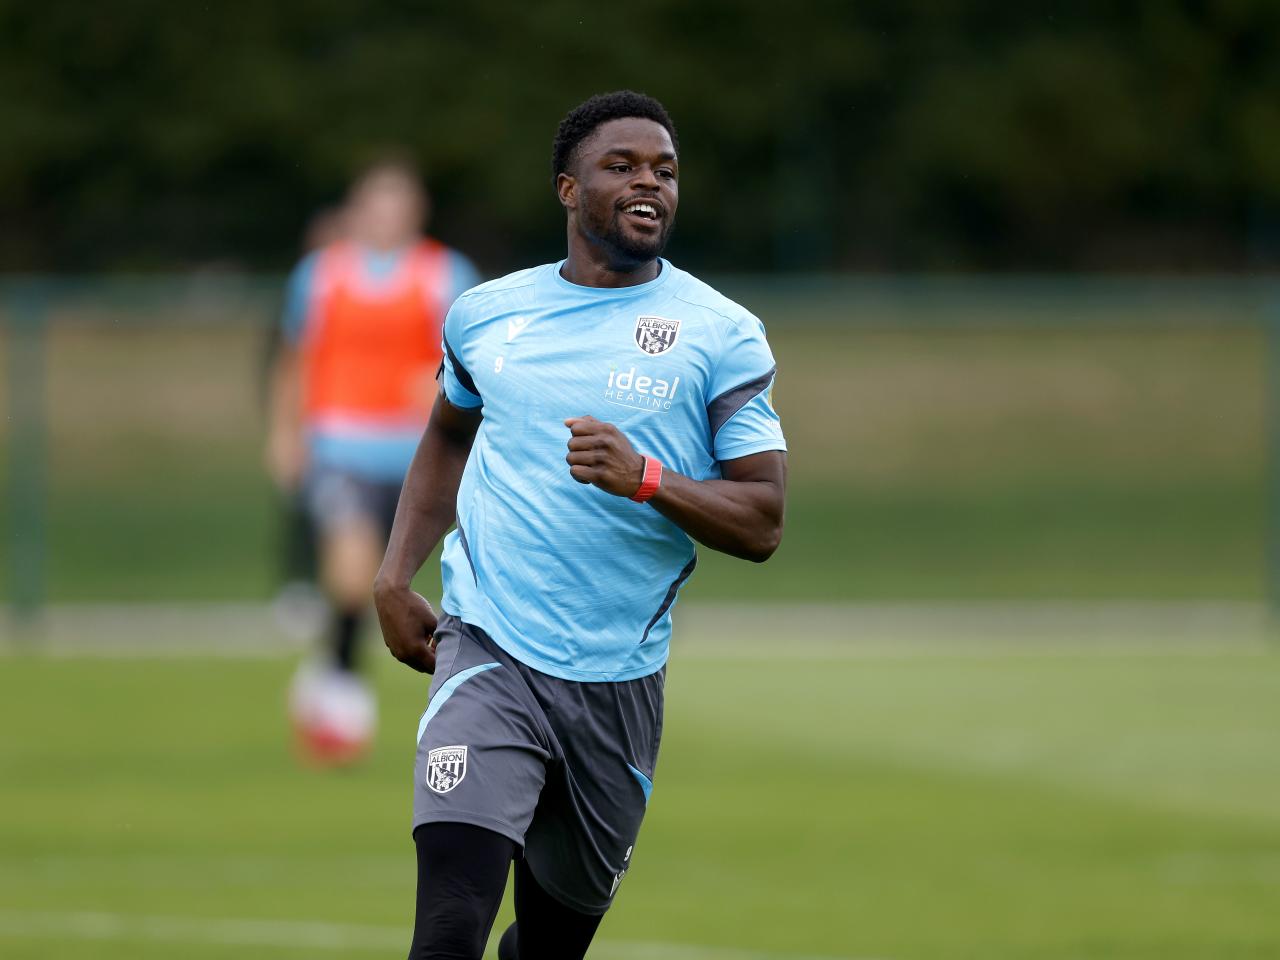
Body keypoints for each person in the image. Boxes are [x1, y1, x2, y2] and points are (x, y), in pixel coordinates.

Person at [374, 91, 787, 959]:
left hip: (617, 682)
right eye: (623, 166)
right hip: (487, 649)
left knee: (550, 947)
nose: (650, 183)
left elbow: (762, 521)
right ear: (568, 188)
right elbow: (446, 439)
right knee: (448, 928)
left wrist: (647, 479)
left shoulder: (722, 336)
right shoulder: (486, 317)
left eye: (665, 171)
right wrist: (392, 574)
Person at [265, 160, 481, 764]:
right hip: (340, 447)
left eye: (398, 203)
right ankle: (340, 686)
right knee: (353, 565)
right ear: (359, 210)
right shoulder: (322, 274)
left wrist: (437, 385)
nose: (387, 215)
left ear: (416, 212)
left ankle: (470, 699)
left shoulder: (445, 273)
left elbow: (470, 360)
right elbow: (295, 358)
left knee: (431, 578)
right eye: (376, 203)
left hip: (422, 455)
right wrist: (284, 435)